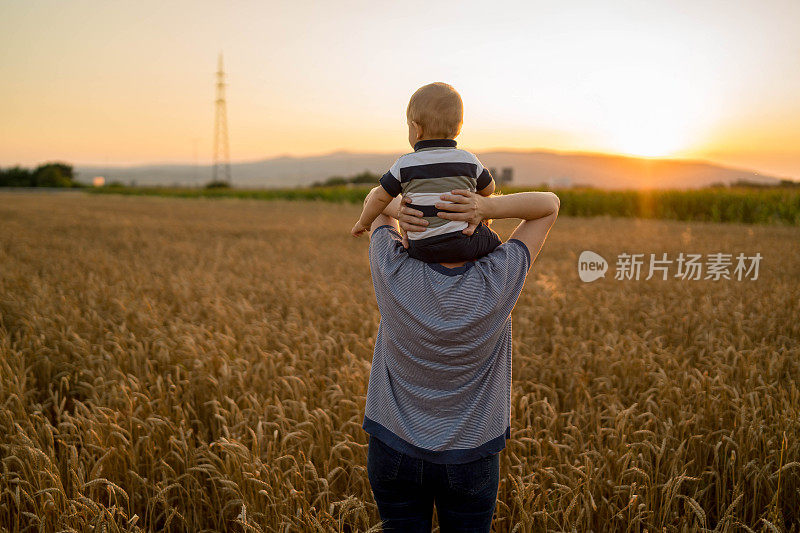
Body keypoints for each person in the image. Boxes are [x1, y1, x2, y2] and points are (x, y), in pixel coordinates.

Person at [359, 186, 560, 532]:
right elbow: (549, 205)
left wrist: (405, 207)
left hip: (393, 447)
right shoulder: (498, 277)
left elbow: (376, 200)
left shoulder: (393, 270)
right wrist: (484, 205)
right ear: (477, 228)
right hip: (472, 453)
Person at [351, 82, 501, 263]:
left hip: (419, 248)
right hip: (462, 244)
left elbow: (380, 197)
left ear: (417, 128)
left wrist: (364, 223)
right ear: (458, 128)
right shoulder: (468, 160)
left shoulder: (404, 164)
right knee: (495, 242)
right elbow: (489, 189)